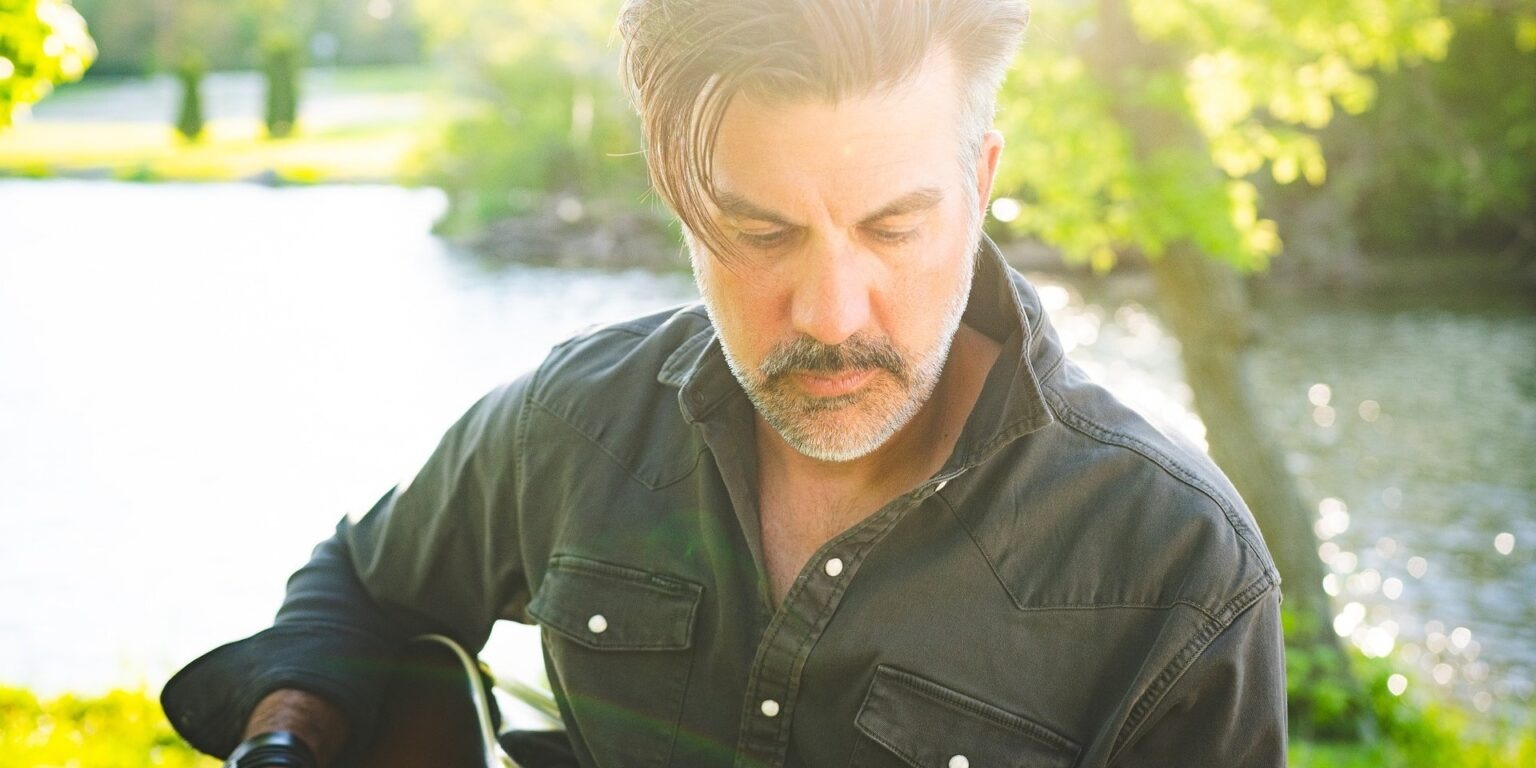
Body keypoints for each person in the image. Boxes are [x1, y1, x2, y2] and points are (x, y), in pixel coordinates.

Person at [163, 1, 1287, 766]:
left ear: (980, 180)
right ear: (677, 195)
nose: (833, 316)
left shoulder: (1180, 570)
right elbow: (362, 584)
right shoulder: (571, 422)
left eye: (894, 227)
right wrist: (288, 736)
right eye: (762, 234)